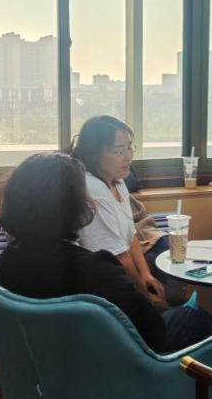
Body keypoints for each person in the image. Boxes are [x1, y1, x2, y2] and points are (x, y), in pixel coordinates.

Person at [0, 152, 212, 353]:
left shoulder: (10, 259)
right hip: (112, 365)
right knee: (194, 317)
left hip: (54, 365)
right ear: (72, 205)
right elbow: (153, 332)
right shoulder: (95, 269)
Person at [70, 115, 166, 301]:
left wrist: (145, 274)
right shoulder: (93, 188)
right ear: (94, 154)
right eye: (119, 151)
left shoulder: (118, 182)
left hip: (117, 273)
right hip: (100, 284)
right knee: (183, 309)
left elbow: (130, 235)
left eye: (129, 148)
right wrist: (145, 297)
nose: (128, 156)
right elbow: (118, 255)